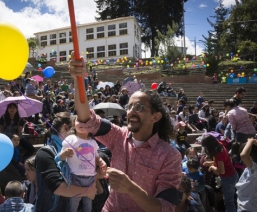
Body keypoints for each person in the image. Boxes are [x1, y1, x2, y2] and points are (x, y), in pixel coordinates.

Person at [68, 52, 182, 212]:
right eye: (129, 107)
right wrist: (78, 79)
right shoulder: (118, 136)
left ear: (155, 116)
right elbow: (86, 119)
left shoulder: (170, 156)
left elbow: (165, 208)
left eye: (139, 107)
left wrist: (130, 188)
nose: (131, 112)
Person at [35, 112, 97, 212]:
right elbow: (58, 188)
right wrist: (87, 192)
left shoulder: (77, 149)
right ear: (65, 127)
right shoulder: (45, 153)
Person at [57, 116, 103, 212]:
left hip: (91, 178)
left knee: (88, 203)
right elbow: (59, 158)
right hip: (75, 177)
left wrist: (101, 162)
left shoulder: (93, 142)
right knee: (73, 203)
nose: (82, 124)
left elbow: (97, 156)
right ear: (73, 124)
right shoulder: (70, 139)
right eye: (79, 121)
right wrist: (65, 154)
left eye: (86, 122)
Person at [201, 135, 238, 212]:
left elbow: (221, 171)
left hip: (228, 178)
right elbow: (222, 162)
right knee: (230, 199)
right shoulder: (221, 147)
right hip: (232, 176)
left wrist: (211, 167)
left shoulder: (218, 154)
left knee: (228, 201)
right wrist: (211, 162)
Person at [235, 137, 257, 211]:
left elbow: (243, 155)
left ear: (250, 157)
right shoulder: (250, 168)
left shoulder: (255, 168)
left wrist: (250, 141)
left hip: (248, 208)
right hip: (244, 205)